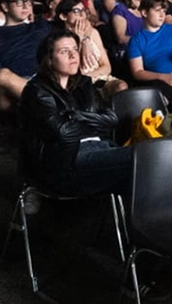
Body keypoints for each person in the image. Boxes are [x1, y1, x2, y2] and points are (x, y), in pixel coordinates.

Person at [17, 31, 133, 197]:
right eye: (64, 51)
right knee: (146, 157)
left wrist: (74, 116)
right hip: (64, 161)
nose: (73, 55)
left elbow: (111, 120)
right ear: (49, 60)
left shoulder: (84, 84)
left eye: (75, 49)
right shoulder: (37, 91)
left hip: (101, 148)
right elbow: (63, 133)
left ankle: (142, 218)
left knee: (144, 171)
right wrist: (94, 123)